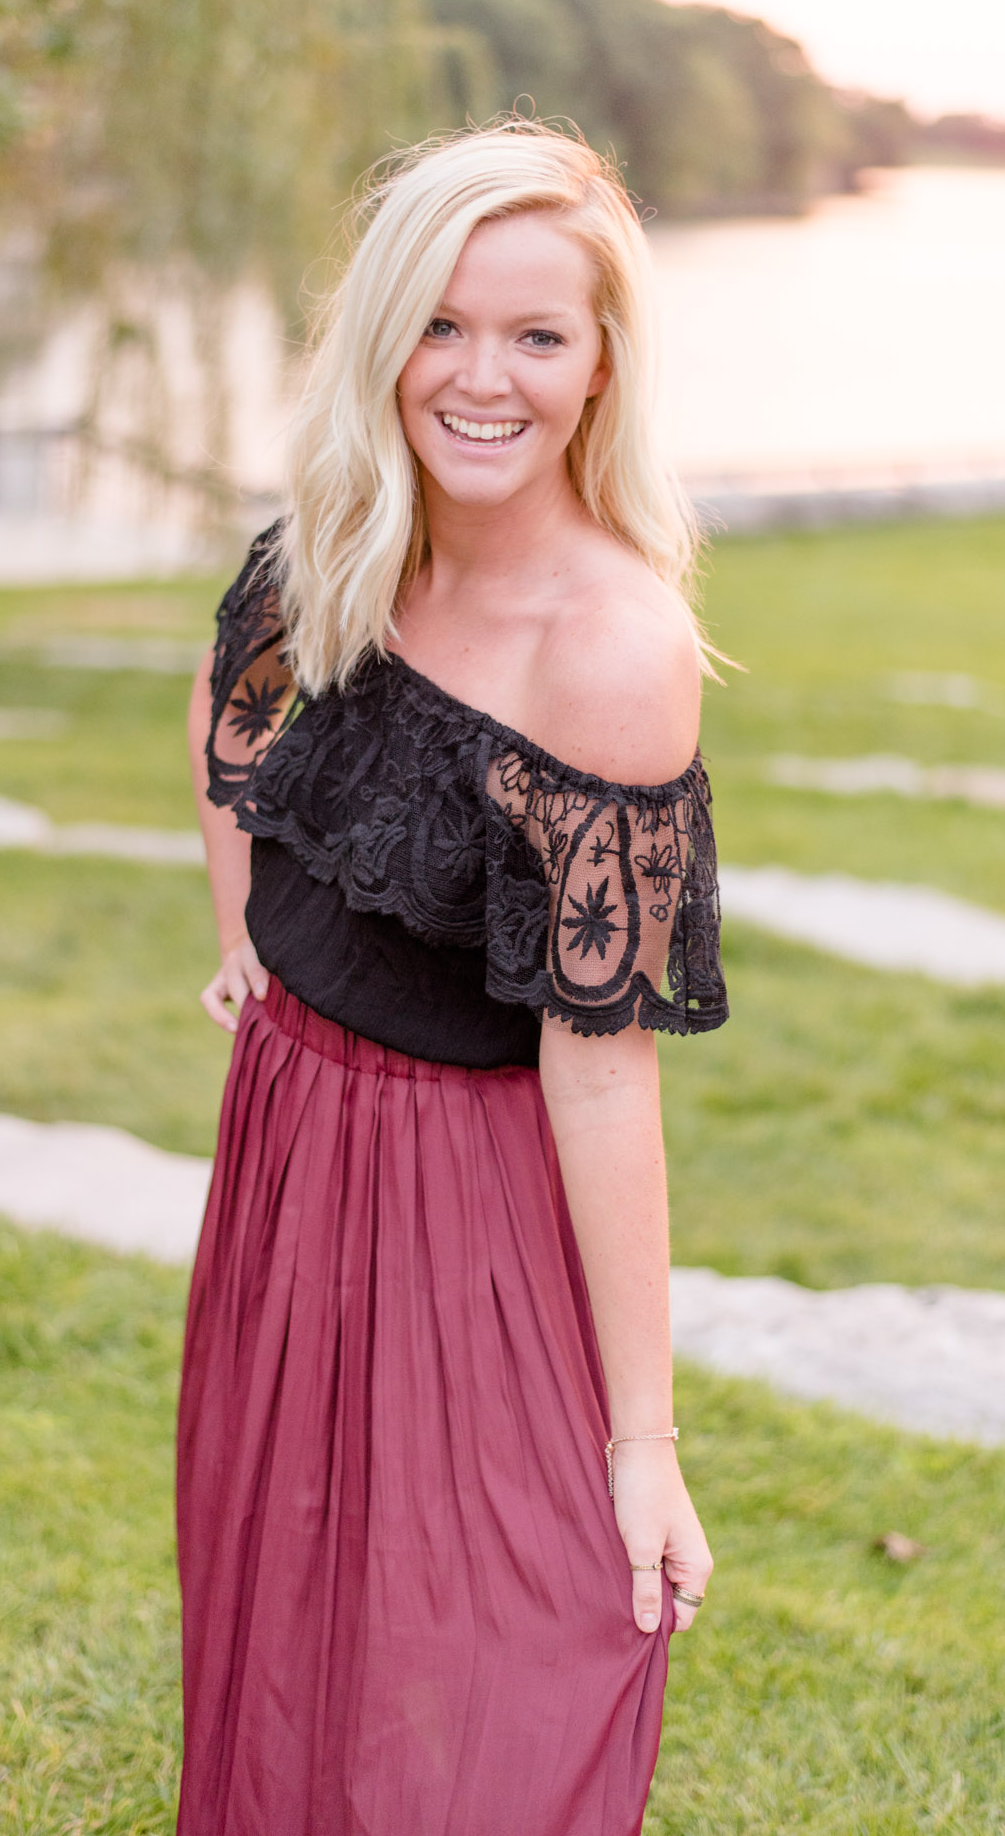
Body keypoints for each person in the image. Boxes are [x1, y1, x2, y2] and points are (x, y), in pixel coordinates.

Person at [178, 121, 728, 1836]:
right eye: (441, 322)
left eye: (536, 335)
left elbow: (603, 1065)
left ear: (598, 369)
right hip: (287, 1139)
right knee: (287, 1608)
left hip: (468, 1190)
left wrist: (646, 1441)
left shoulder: (613, 651)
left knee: (508, 1649)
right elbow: (225, 731)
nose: (480, 377)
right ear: (383, 332)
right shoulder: (331, 537)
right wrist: (244, 950)